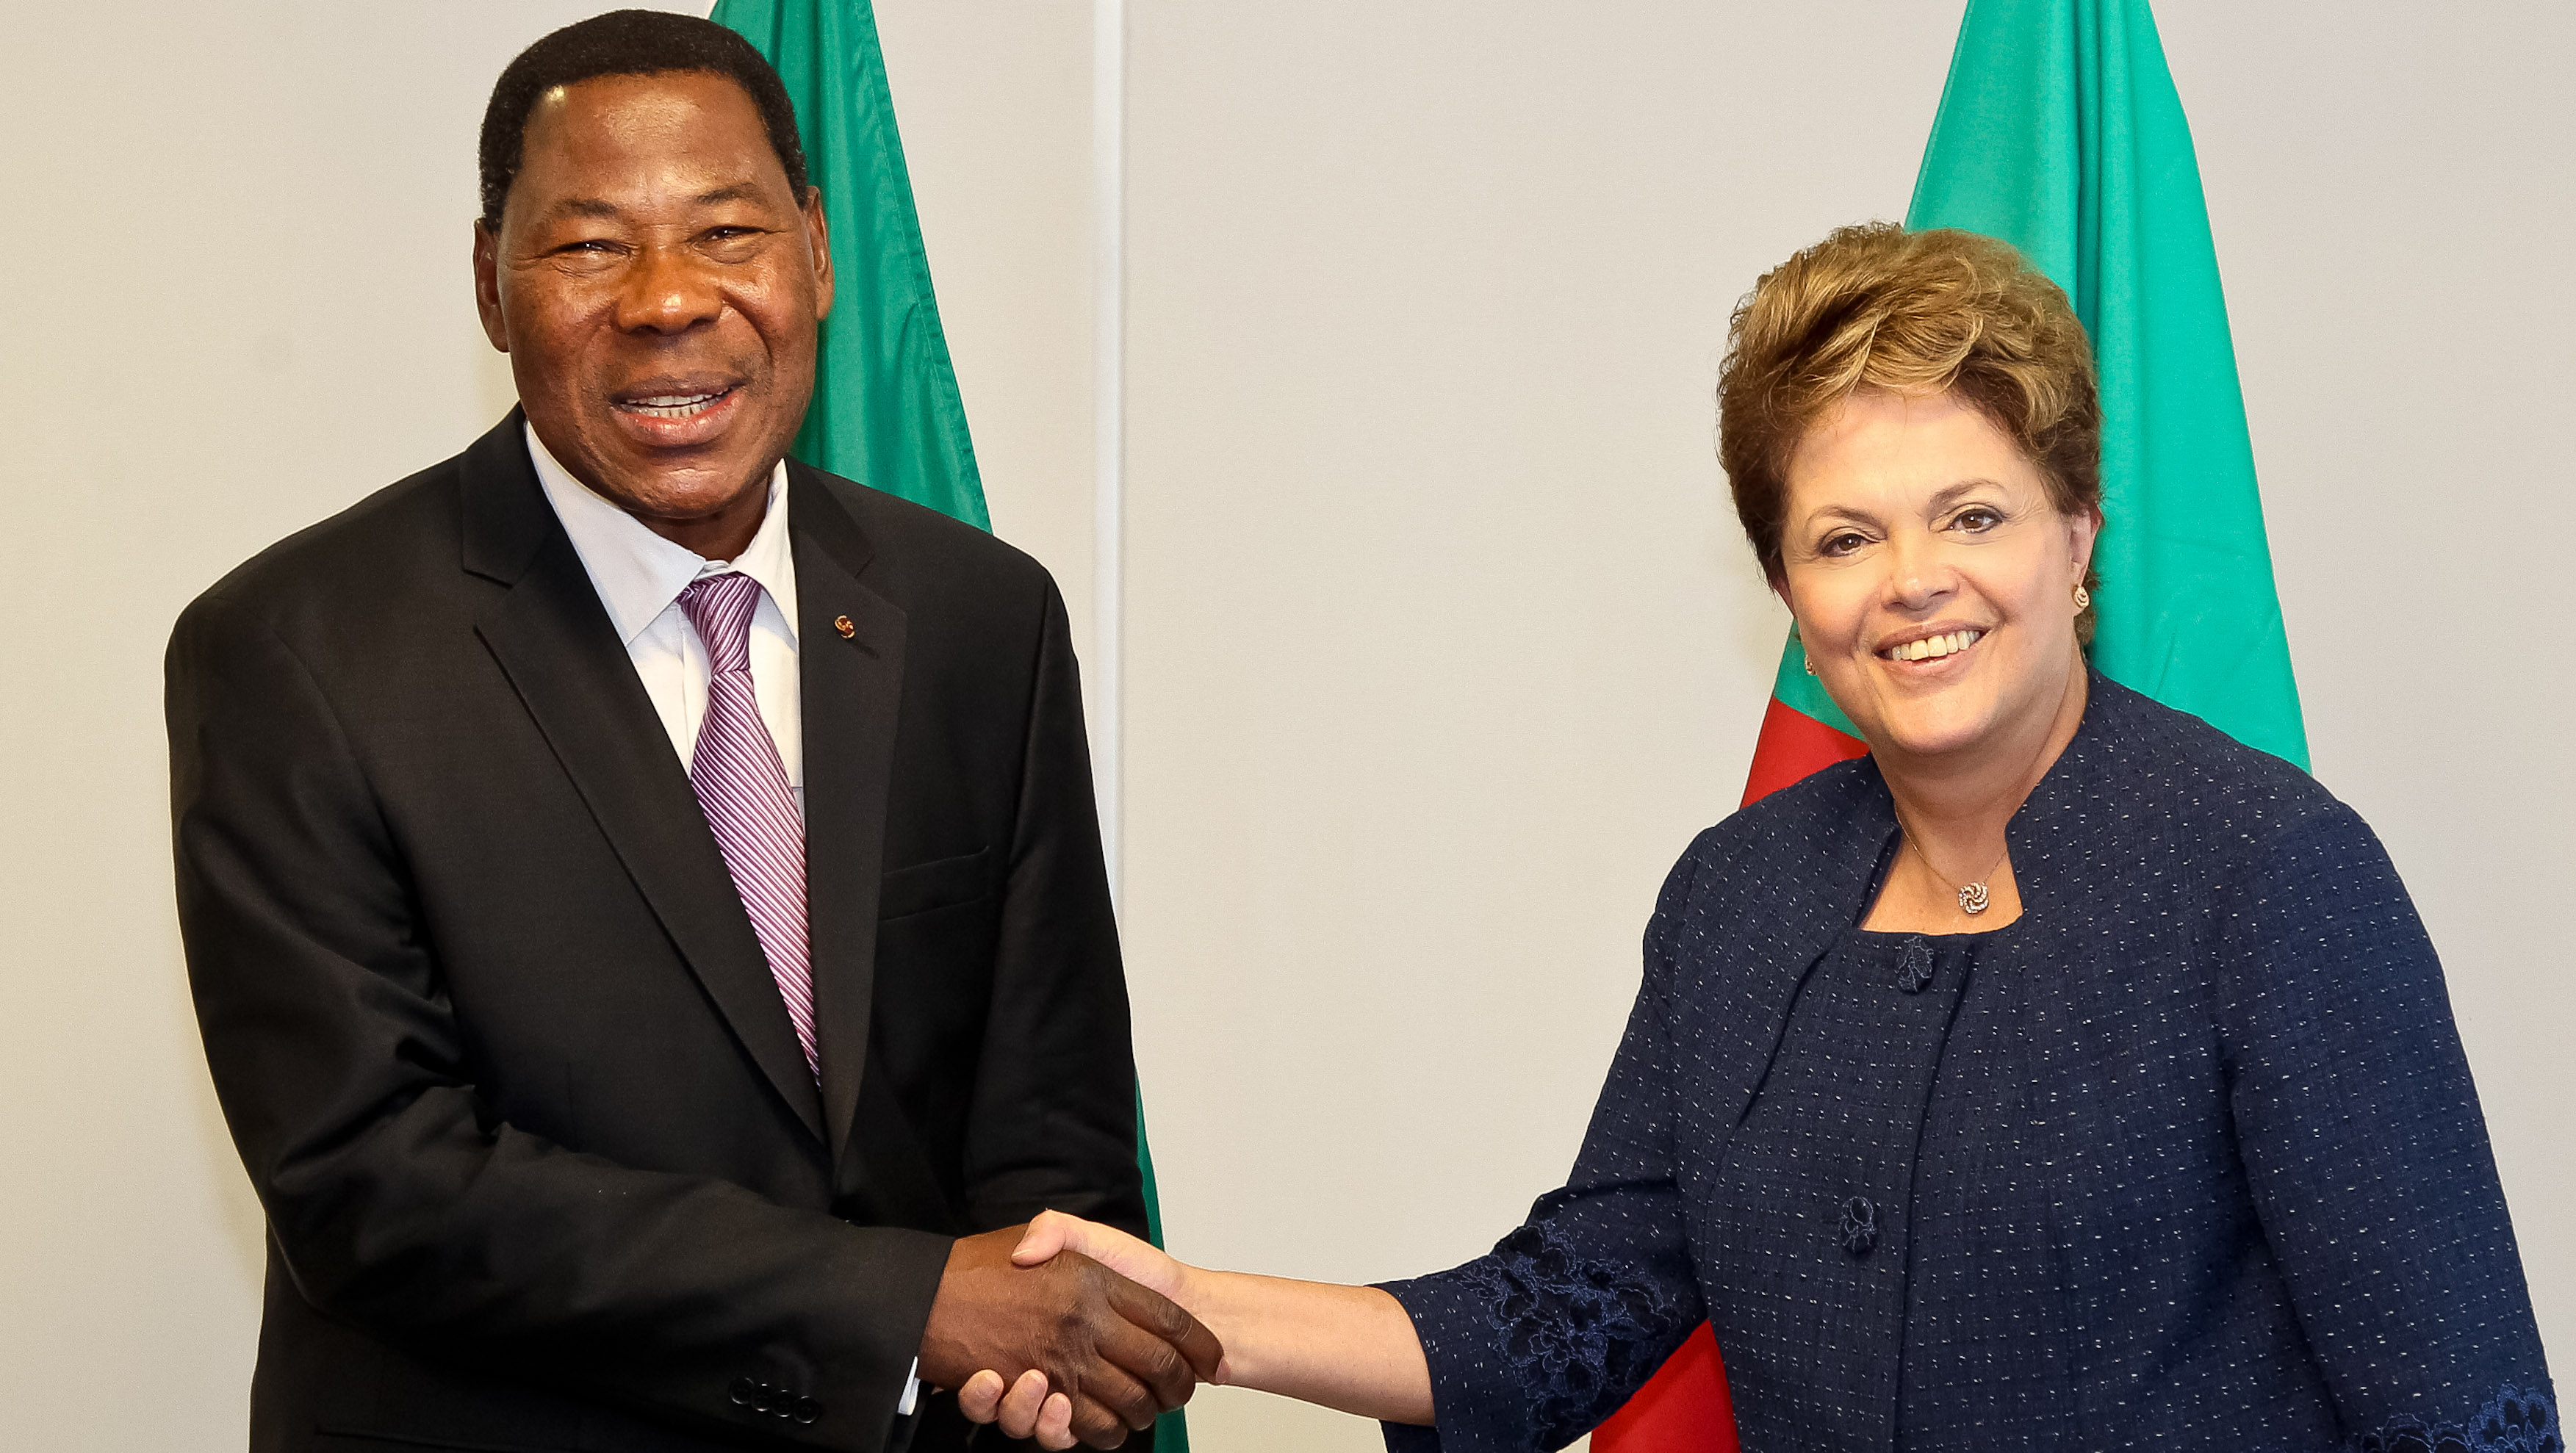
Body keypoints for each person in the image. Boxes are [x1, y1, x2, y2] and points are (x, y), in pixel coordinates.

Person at [956, 223, 2561, 1451]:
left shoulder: (2267, 875)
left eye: (1974, 513)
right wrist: (1179, 1309)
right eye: (1846, 536)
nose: (1913, 578)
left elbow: (2463, 1414)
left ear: (2077, 540)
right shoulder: (1738, 897)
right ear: (1790, 596)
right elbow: (1566, 1311)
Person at [165, 12, 1215, 1452]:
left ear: (818, 250)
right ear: (489, 282)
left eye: (727, 233)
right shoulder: (299, 652)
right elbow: (378, 1186)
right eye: (590, 245)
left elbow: (1054, 1136)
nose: (667, 301)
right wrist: (902, 1302)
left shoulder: (979, 616)